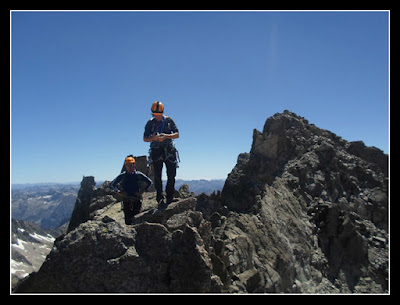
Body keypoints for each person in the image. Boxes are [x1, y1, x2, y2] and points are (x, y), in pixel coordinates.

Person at [143, 101, 179, 205]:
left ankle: (170, 197)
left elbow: (177, 134)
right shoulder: (150, 123)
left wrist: (166, 136)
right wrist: (153, 138)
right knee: (157, 176)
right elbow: (145, 138)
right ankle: (160, 198)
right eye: (155, 115)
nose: (157, 117)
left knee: (171, 174)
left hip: (169, 150)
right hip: (156, 151)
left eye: (159, 115)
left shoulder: (168, 120)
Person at [110, 156, 152, 225]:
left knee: (136, 218)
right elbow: (112, 184)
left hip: (136, 199)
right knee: (128, 220)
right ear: (125, 166)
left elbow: (149, 182)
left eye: (131, 165)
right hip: (126, 199)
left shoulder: (139, 175)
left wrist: (142, 191)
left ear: (134, 165)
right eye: (128, 165)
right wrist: (117, 191)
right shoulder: (123, 176)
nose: (130, 167)